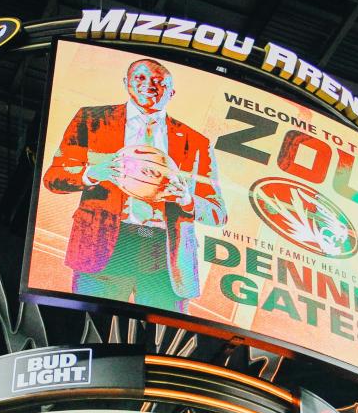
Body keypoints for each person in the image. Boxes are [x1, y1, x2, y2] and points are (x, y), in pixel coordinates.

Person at [42, 58, 225, 313]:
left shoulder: (196, 142)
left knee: (160, 343)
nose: (150, 86)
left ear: (171, 92)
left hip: (165, 256)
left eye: (159, 82)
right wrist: (93, 173)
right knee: (91, 334)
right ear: (126, 83)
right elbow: (54, 177)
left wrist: (187, 199)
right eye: (140, 78)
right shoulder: (92, 118)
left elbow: (218, 213)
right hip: (103, 246)